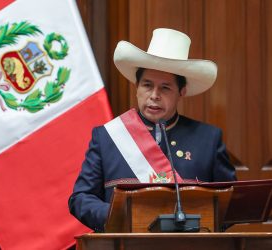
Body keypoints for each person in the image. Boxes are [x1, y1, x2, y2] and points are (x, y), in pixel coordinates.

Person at [68, 28, 236, 232]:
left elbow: (231, 203)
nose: (154, 95)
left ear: (181, 92)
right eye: (147, 85)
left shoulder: (208, 139)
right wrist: (121, 218)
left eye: (165, 88)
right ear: (136, 86)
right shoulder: (107, 137)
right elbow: (81, 198)